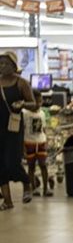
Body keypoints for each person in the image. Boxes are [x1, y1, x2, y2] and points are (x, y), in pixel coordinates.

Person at [0, 51, 34, 209]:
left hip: (13, 127)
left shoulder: (21, 83)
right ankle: (7, 200)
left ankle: (27, 183)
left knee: (13, 161)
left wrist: (22, 105)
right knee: (0, 165)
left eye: (5, 63)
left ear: (13, 65)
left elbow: (34, 104)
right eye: (0, 63)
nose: (2, 66)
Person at [23, 89, 51, 197]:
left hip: (41, 142)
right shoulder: (25, 114)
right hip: (29, 143)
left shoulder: (42, 113)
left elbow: (43, 129)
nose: (39, 104)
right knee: (31, 167)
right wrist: (23, 147)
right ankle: (33, 188)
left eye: (40, 102)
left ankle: (45, 188)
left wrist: (46, 141)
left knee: (43, 165)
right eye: (36, 102)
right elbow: (22, 131)